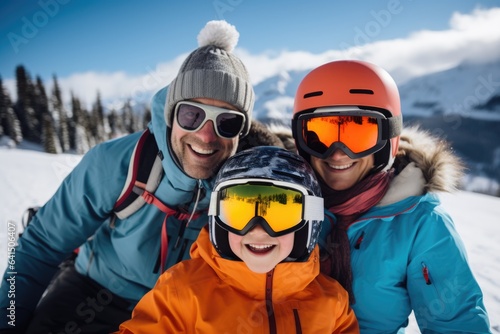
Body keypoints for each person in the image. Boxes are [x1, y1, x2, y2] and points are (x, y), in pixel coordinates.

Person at [0, 20, 284, 333]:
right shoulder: (118, 164)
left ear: (241, 131)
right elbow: (40, 246)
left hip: (181, 310)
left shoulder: (245, 184)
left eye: (227, 122)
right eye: (192, 115)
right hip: (93, 292)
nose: (205, 136)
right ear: (171, 115)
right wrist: (8, 321)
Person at [291, 60, 491, 333]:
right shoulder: (280, 199)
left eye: (358, 133)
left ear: (389, 139)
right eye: (319, 135)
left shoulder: (419, 223)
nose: (337, 153)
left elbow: (456, 323)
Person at [117, 146, 359, 333]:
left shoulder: (331, 302)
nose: (257, 230)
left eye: (280, 213)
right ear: (217, 218)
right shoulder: (183, 292)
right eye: (239, 212)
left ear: (309, 221)